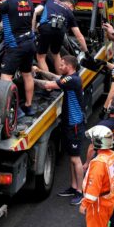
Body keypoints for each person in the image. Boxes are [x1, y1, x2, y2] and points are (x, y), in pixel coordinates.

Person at [33, 55, 85, 205]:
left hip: (75, 125)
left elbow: (49, 85)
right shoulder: (70, 78)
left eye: (62, 65)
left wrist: (30, 80)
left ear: (69, 67)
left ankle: (80, 191)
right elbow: (56, 78)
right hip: (70, 124)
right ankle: (73, 187)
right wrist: (39, 70)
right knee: (71, 158)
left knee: (76, 159)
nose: (60, 66)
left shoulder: (73, 80)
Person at [83, 98, 114, 227]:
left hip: (102, 165)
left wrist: (87, 162)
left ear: (111, 109)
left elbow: (92, 146)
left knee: (97, 197)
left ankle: (95, 226)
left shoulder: (103, 125)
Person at [80, 125, 114, 227]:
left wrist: (84, 204)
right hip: (111, 199)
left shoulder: (98, 163)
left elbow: (93, 189)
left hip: (99, 203)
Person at [32, 0, 88, 73]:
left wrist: (33, 31)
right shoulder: (69, 12)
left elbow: (35, 12)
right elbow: (79, 36)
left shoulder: (50, 0)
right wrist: (86, 52)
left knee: (41, 57)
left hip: (46, 28)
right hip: (60, 31)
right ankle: (60, 78)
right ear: (71, 5)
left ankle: (48, 79)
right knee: (56, 54)